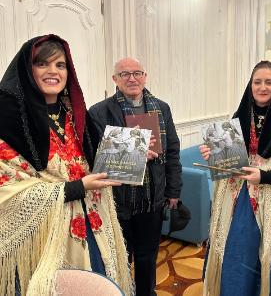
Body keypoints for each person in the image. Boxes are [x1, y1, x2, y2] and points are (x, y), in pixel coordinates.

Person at [0, 35, 132, 296]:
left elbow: (96, 162)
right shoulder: (8, 120)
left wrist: (132, 157)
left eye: (60, 65)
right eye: (42, 64)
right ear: (27, 71)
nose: (53, 72)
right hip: (46, 241)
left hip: (93, 227)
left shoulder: (74, 114)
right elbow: (8, 192)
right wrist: (75, 187)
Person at [200, 60, 271, 296]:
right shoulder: (238, 116)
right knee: (238, 251)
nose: (263, 87)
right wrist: (212, 154)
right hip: (239, 200)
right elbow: (227, 163)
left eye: (268, 82)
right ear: (250, 86)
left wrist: (266, 176)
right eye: (257, 82)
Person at [89, 57, 182, 296]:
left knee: (147, 257)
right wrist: (134, 149)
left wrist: (173, 191)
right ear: (115, 79)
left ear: (145, 76)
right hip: (117, 200)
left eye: (137, 73)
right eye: (125, 74)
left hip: (153, 198)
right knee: (118, 257)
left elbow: (172, 151)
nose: (132, 78)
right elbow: (95, 157)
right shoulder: (99, 112)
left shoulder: (162, 108)